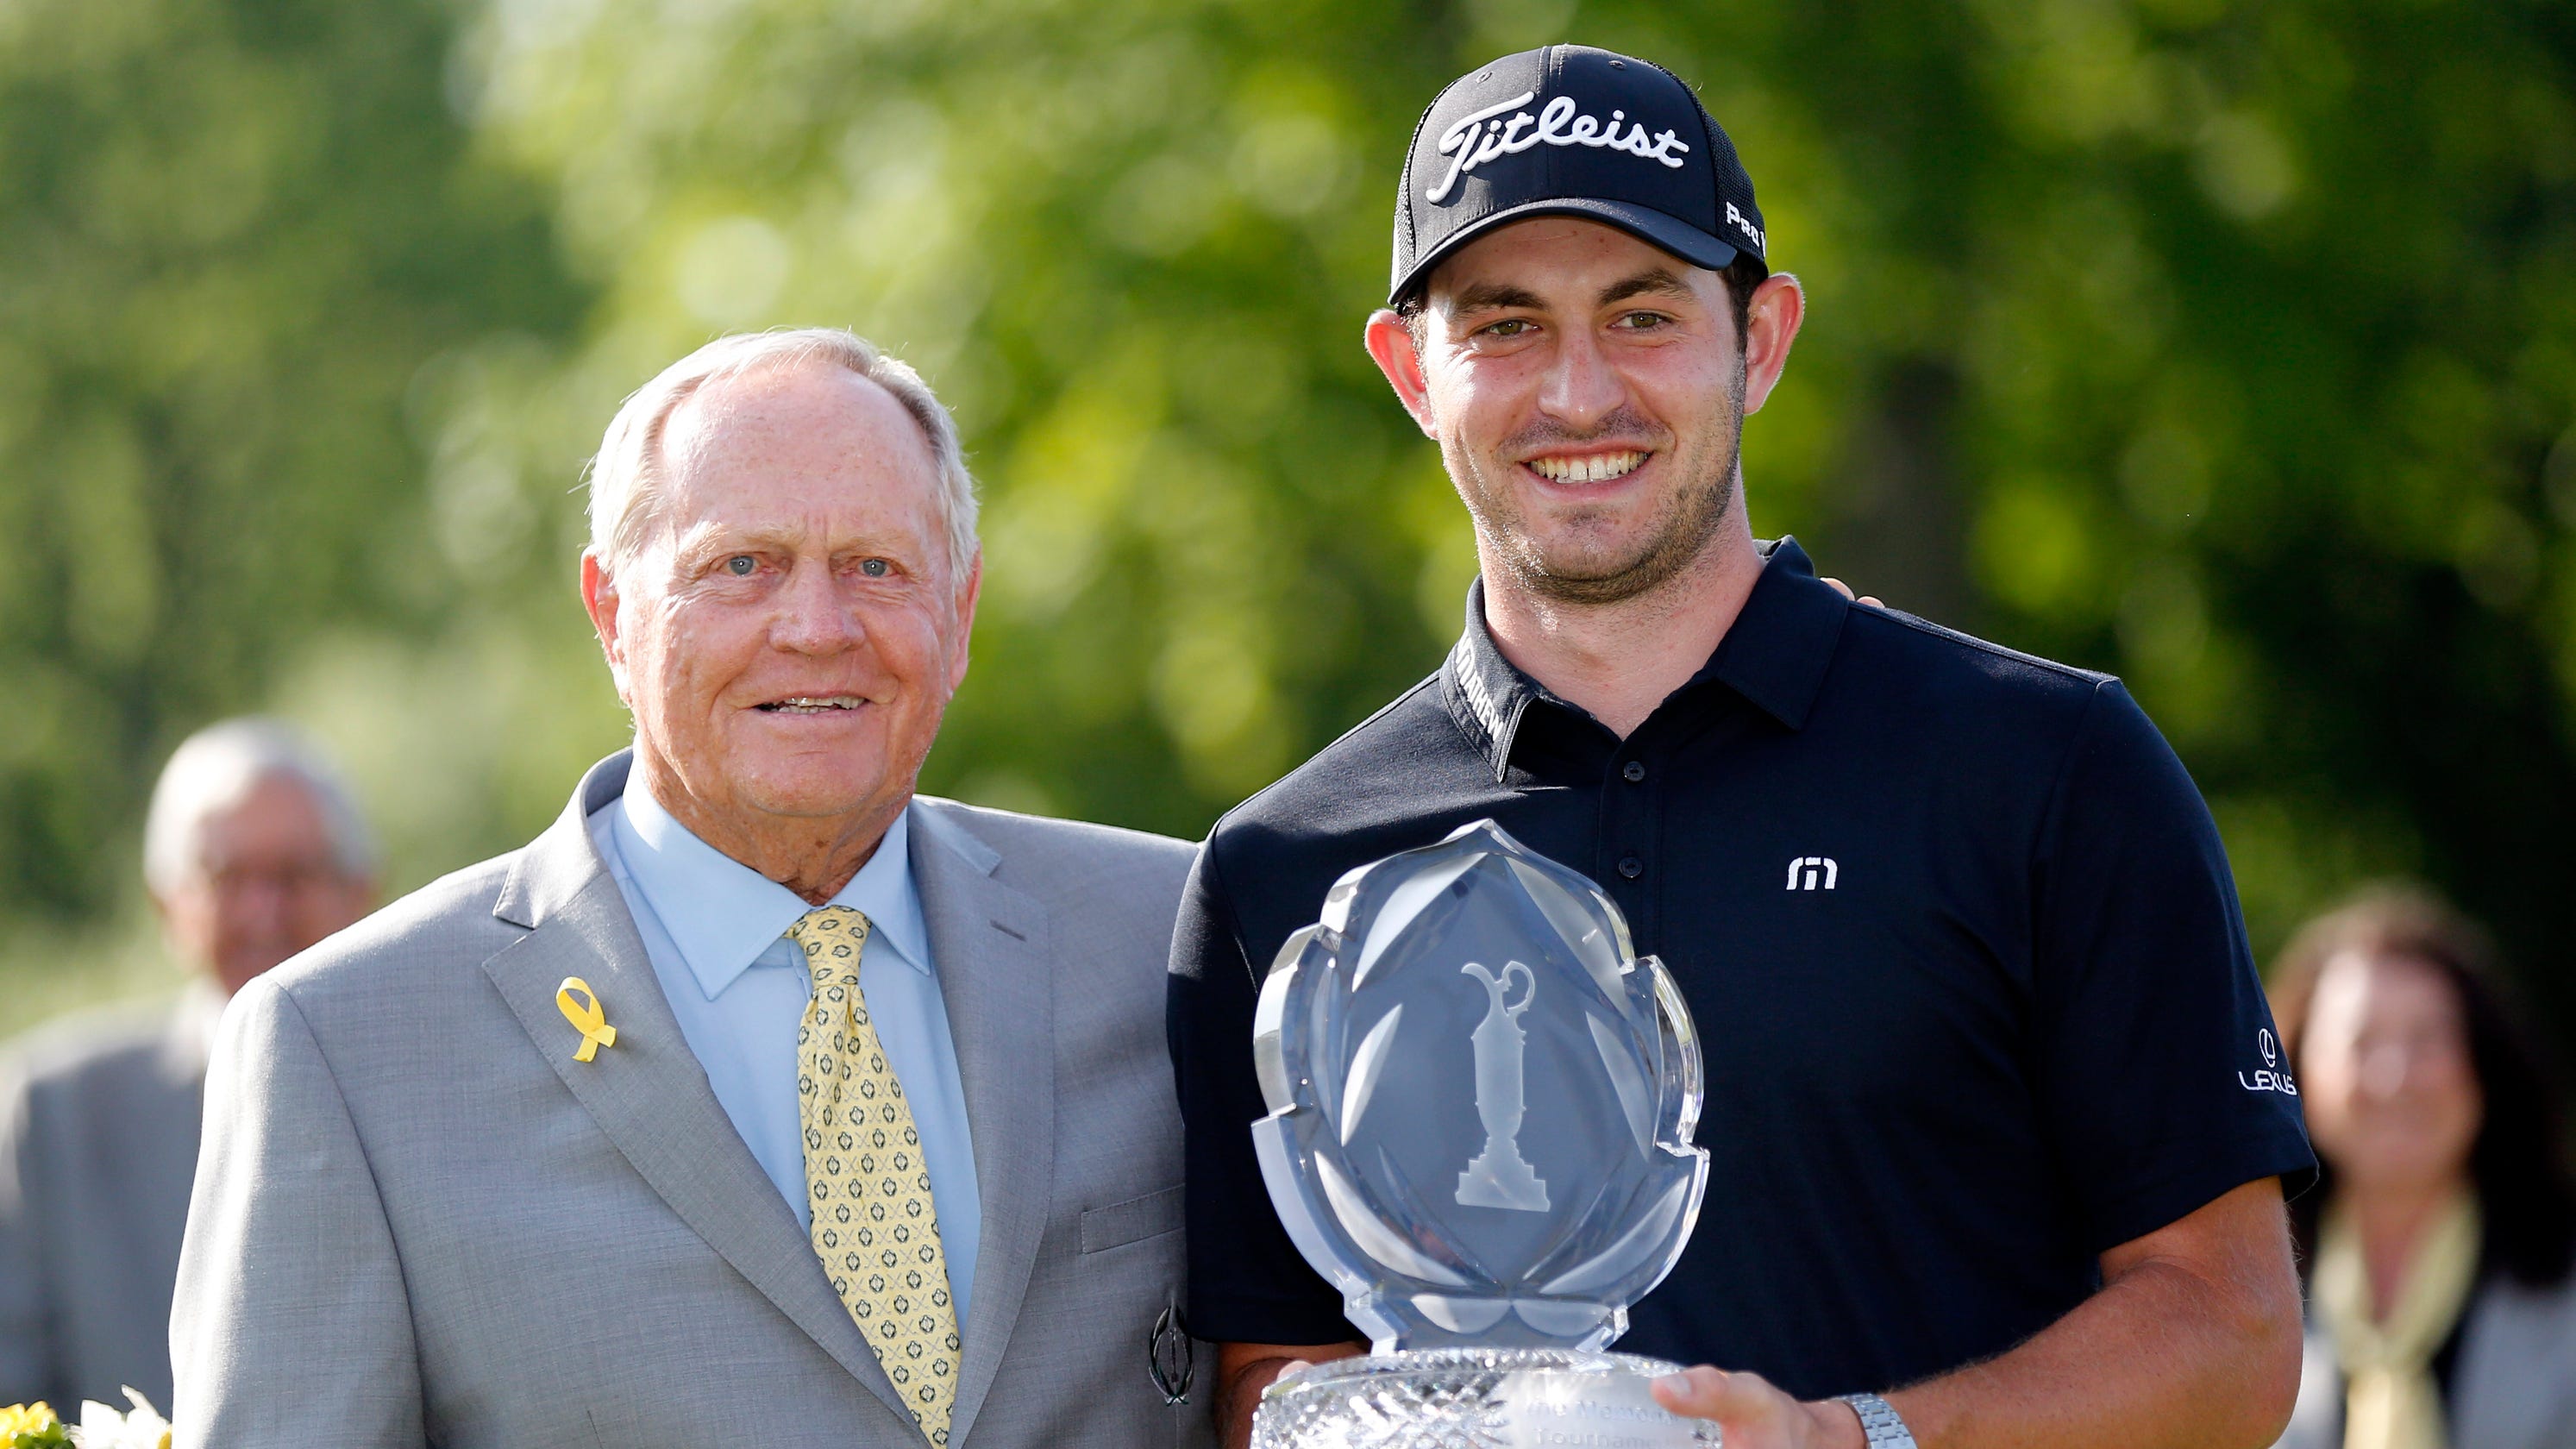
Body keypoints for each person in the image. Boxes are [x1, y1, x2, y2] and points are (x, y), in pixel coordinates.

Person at [1166, 44, 2314, 1449]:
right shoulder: (1283, 867)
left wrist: (1855, 1441)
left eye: (1642, 314)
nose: (1577, 396)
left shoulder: (2046, 770)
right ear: (1410, 372)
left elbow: (2232, 1336)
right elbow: (1268, 1387)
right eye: (1504, 325)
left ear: (1758, 341)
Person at [172, 329, 1213, 1448]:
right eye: (740, 566)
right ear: (611, 614)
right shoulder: (348, 1051)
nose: (816, 629)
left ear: (957, 618)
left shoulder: (1172, 939)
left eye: (875, 566)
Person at [0, 718, 378, 1414]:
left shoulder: (435, 1092)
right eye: (227, 877)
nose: (263, 912)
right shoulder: (51, 1114)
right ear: (167, 902)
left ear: (362, 893)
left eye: (294, 876)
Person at [2266, 889, 2576, 1449]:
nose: (2395, 1079)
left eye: (2427, 1039)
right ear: (2297, 1074)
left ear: (2484, 1063)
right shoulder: (2245, 1282)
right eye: (2360, 1042)